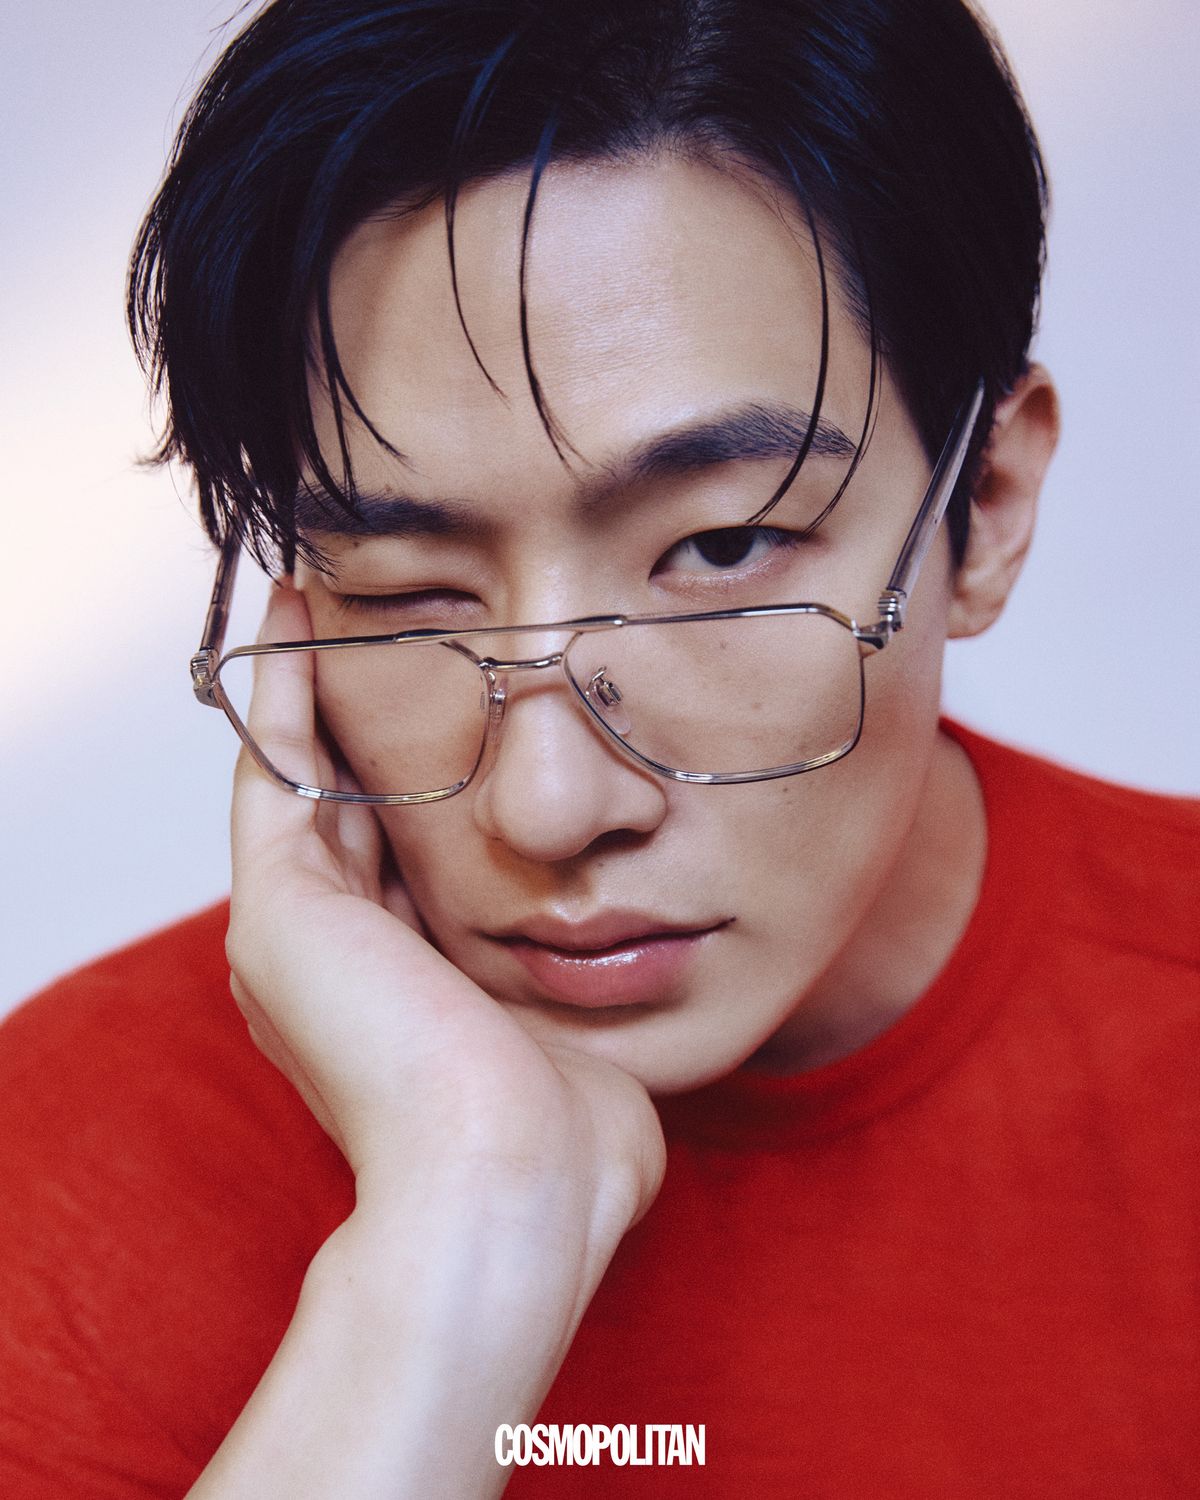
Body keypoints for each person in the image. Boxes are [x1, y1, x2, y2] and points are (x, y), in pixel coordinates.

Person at [1, 0, 1196, 1495]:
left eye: (723, 545)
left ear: (991, 506)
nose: (550, 803)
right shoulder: (74, 1156)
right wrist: (458, 1236)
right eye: (403, 591)